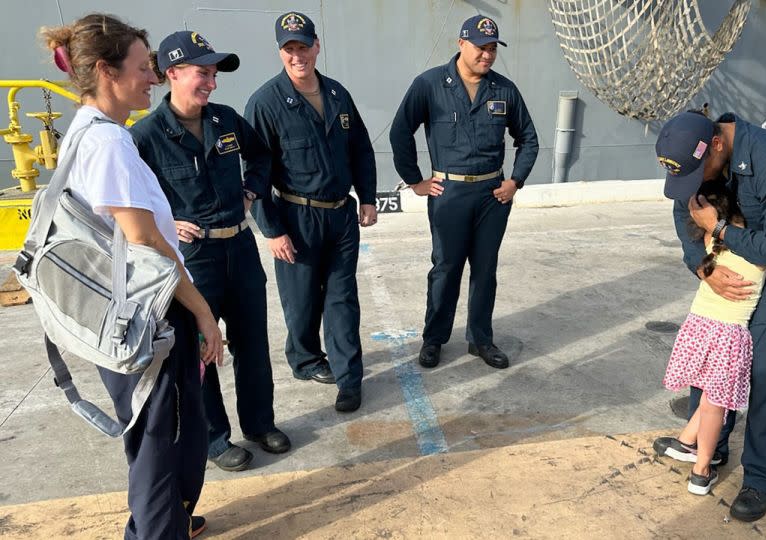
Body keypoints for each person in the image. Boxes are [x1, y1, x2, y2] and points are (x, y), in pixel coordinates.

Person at [41, 14, 222, 538]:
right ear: (106, 71)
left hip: (124, 311)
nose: (154, 77)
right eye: (144, 67)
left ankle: (157, 523)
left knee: (156, 432)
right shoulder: (110, 143)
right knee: (158, 439)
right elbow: (143, 239)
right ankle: (158, 530)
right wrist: (202, 310)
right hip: (148, 312)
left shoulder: (88, 131)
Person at [129, 30, 290, 473]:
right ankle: (216, 439)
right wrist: (164, 219)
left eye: (214, 74)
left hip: (239, 247)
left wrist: (251, 193)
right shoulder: (145, 136)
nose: (212, 84)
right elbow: (127, 201)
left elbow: (263, 160)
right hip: (193, 260)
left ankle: (260, 424)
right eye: (203, 73)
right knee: (203, 348)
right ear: (173, 73)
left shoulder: (227, 120)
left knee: (253, 345)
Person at [654, 109, 766, 521]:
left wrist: (722, 229)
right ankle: (709, 447)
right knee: (713, 363)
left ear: (718, 144)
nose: (696, 185)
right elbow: (685, 211)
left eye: (698, 174)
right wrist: (703, 266)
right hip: (726, 275)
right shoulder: (699, 162)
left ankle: (761, 478)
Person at [660, 181, 766, 496]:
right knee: (716, 403)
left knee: (710, 389)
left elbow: (693, 206)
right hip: (728, 335)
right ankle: (702, 469)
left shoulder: (711, 236)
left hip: (698, 326)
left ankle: (687, 441)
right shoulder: (764, 249)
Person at [245, 11, 377, 412]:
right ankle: (304, 358)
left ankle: (348, 378)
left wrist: (368, 197)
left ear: (317, 46)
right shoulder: (265, 102)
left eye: (303, 46)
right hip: (296, 218)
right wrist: (271, 230)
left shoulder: (338, 95)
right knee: (301, 301)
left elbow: (361, 150)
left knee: (342, 297)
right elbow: (254, 174)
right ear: (280, 52)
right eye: (289, 49)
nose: (297, 56)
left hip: (340, 216)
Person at [389, 15, 539, 370]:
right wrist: (415, 181)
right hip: (449, 194)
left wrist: (515, 181)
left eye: (492, 49)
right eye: (480, 48)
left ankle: (481, 339)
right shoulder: (429, 85)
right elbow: (400, 133)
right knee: (446, 268)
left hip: (492, 195)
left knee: (485, 269)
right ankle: (434, 340)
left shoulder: (504, 90)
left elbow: (529, 139)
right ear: (461, 44)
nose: (486, 56)